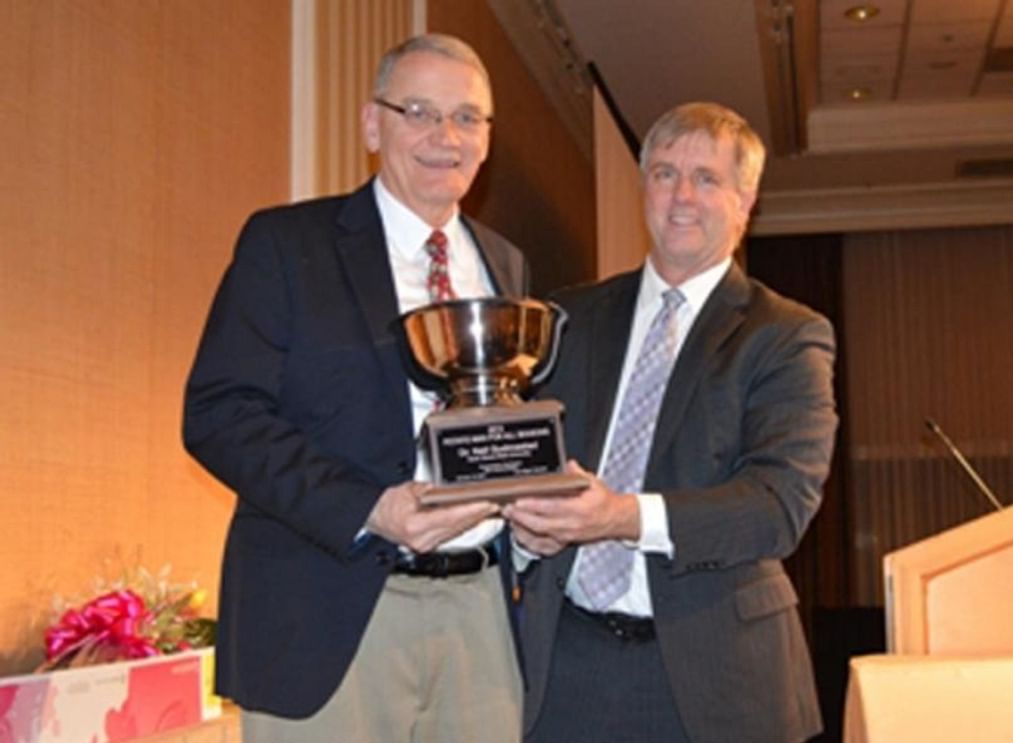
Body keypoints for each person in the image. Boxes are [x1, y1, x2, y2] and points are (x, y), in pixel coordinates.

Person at [183, 34, 526, 743]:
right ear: (373, 124)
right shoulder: (286, 244)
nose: (445, 137)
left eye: (467, 118)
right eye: (420, 112)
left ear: (487, 139)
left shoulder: (505, 264)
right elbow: (218, 413)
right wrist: (371, 508)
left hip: (480, 620)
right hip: (327, 613)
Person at [505, 102, 838, 743]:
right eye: (663, 174)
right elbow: (528, 460)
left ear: (745, 202)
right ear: (644, 189)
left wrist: (621, 516)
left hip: (715, 680)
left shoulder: (786, 335)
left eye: (706, 179)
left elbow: (779, 505)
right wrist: (526, 533)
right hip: (560, 669)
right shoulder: (566, 318)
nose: (681, 195)